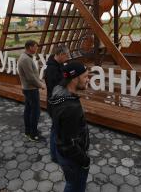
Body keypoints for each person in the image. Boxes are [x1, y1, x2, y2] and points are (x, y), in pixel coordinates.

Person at [49, 61, 90, 192]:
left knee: (72, 183)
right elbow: (69, 145)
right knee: (75, 185)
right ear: (73, 79)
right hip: (72, 159)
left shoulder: (58, 91)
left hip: (62, 152)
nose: (88, 80)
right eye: (85, 77)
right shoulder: (71, 108)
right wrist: (85, 161)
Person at [44, 45, 70, 163]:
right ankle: (54, 156)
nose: (68, 57)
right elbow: (55, 88)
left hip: (59, 103)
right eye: (66, 55)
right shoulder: (51, 69)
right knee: (55, 129)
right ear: (60, 54)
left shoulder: (59, 65)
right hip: (55, 104)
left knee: (58, 129)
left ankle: (57, 153)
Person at [17, 40, 45, 141]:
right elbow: (30, 78)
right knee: (35, 112)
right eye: (35, 47)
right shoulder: (25, 59)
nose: (37, 48)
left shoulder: (26, 57)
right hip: (31, 90)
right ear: (30, 47)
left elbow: (33, 74)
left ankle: (28, 131)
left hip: (29, 89)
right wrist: (41, 85)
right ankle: (33, 134)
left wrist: (40, 80)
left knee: (29, 110)